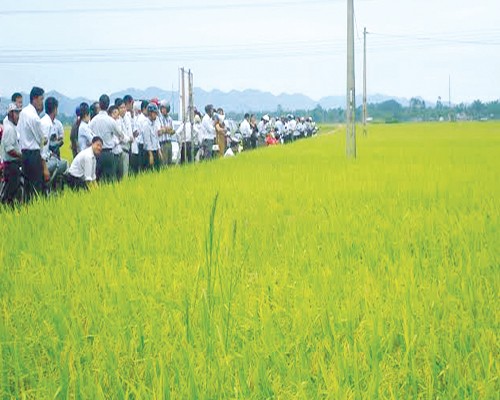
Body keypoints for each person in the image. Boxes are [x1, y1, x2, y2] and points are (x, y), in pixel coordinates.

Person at [17, 86, 47, 202]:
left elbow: (18, 134)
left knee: (27, 188)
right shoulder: (34, 118)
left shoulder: (23, 112)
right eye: (41, 99)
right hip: (34, 155)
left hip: (24, 155)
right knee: (36, 188)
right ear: (34, 99)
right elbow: (41, 140)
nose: (42, 102)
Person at [89, 94, 124, 182]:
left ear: (100, 105)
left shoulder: (93, 120)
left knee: (96, 179)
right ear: (108, 105)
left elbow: (89, 134)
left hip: (96, 153)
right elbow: (120, 134)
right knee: (109, 181)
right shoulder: (111, 121)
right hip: (108, 154)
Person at [0, 104, 23, 206]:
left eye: (18, 112)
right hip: (11, 165)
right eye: (16, 113)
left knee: (12, 189)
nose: (18, 115)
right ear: (10, 114)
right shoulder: (9, 129)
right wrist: (21, 156)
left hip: (12, 165)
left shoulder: (11, 127)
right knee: (10, 191)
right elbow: (9, 149)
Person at [142, 103, 162, 171]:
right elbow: (147, 141)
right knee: (149, 170)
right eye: (154, 113)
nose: (156, 115)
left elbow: (156, 138)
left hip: (155, 150)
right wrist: (150, 155)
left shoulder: (155, 124)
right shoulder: (146, 125)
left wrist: (159, 150)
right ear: (150, 113)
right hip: (148, 152)